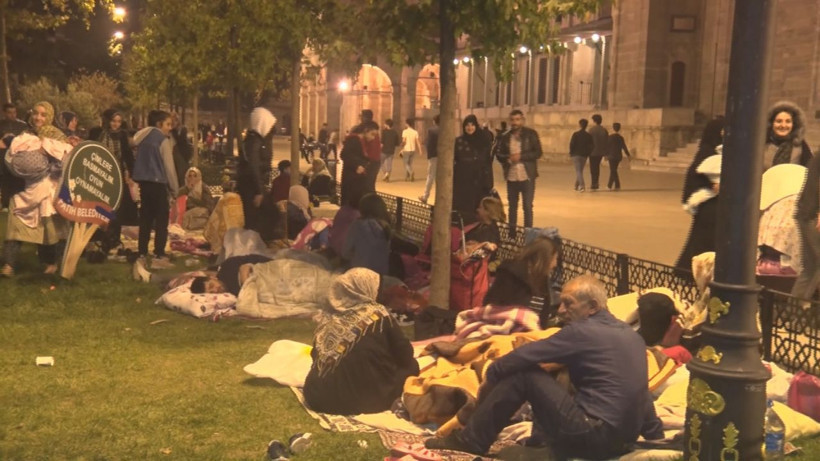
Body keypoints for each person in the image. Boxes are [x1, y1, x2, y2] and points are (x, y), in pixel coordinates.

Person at [426, 275, 664, 459]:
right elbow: (639, 393)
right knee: (560, 372)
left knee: (525, 373)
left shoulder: (581, 332)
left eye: (568, 304)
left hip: (592, 436)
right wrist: (656, 438)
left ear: (592, 306)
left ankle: (472, 440)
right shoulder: (632, 338)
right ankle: (540, 445)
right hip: (621, 442)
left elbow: (517, 359)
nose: (561, 310)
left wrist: (487, 385)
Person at [303, 268, 419, 415]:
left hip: (317, 396)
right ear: (368, 287)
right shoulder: (377, 314)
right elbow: (405, 355)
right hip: (362, 402)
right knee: (412, 367)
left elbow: (316, 356)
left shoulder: (328, 315)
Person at [1, 101, 76, 276]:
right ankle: (9, 265)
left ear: (49, 116)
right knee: (15, 222)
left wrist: (48, 154)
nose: (38, 118)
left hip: (47, 188)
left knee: (48, 227)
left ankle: (51, 263)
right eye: (35, 113)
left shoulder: (57, 136)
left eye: (43, 114)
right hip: (25, 189)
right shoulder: (24, 134)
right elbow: (12, 154)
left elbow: (65, 160)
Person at [675, 119, 725, 272]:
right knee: (705, 242)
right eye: (723, 131)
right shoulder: (706, 151)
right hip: (709, 207)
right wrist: (712, 186)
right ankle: (697, 272)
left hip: (719, 206)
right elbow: (693, 178)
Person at [132, 110, 178, 268]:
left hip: (144, 183)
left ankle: (142, 253)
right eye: (168, 124)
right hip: (158, 184)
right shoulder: (162, 140)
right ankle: (159, 255)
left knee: (145, 220)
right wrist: (174, 189)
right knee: (161, 221)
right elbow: (169, 167)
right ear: (159, 124)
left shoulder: (142, 138)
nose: (170, 128)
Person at [89, 108, 138, 250]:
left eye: (118, 122)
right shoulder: (97, 133)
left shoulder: (122, 135)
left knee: (116, 206)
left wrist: (132, 173)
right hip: (99, 172)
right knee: (98, 204)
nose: (116, 124)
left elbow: (127, 155)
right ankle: (97, 235)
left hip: (116, 174)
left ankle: (113, 237)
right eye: (113, 121)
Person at [483, 236, 558, 327]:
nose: (555, 264)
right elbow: (494, 306)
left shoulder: (541, 278)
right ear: (545, 258)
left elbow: (543, 315)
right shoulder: (510, 274)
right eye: (554, 259)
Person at [494, 110, 543, 234]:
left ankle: (528, 235)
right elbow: (499, 154)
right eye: (512, 120)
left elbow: (537, 152)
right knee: (512, 207)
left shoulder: (531, 134)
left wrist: (520, 156)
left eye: (517, 119)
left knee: (527, 206)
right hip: (511, 176)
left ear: (522, 120)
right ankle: (512, 234)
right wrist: (508, 159)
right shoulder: (505, 136)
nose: (515, 122)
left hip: (527, 176)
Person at [238, 107, 276, 233]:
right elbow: (253, 166)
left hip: (254, 185)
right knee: (256, 221)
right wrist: (259, 191)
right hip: (251, 187)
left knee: (259, 220)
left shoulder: (257, 140)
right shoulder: (254, 141)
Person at [792, 143, 820, 301]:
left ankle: (792, 314)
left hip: (807, 213)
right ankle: (797, 312)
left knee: (810, 267)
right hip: (812, 214)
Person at [452, 114, 493, 221]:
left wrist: (489, 182)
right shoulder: (459, 141)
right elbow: (454, 159)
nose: (470, 128)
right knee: (463, 206)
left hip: (478, 179)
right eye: (467, 125)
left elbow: (487, 162)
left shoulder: (482, 141)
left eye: (472, 125)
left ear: (476, 126)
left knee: (476, 207)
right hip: (462, 179)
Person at [342, 193, 391, 275]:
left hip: (359, 273)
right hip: (381, 274)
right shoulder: (385, 226)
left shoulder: (357, 225)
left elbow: (345, 253)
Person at [763, 101, 812, 171]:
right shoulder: (761, 144)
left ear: (794, 124)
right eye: (779, 121)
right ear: (771, 123)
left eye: (788, 121)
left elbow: (810, 173)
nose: (783, 125)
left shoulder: (800, 146)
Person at [340, 121, 378, 207]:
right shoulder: (354, 139)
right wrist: (357, 165)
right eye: (372, 134)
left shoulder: (361, 141)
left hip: (356, 180)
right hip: (351, 180)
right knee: (350, 206)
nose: (373, 138)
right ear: (366, 130)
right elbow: (344, 154)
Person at [418, 115, 439, 203]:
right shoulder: (447, 129)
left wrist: (429, 156)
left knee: (430, 176)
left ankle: (425, 196)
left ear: (434, 121)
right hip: (444, 157)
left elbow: (429, 144)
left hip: (434, 156)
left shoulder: (432, 130)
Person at [569, 118, 593, 192]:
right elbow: (592, 146)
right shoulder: (588, 135)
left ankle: (582, 186)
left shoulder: (576, 134)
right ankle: (576, 185)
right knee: (580, 170)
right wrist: (588, 153)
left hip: (576, 154)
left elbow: (572, 144)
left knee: (578, 171)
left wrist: (571, 152)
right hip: (584, 155)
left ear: (580, 125)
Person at [360, 110, 382, 191]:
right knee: (370, 185)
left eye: (361, 116)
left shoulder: (366, 129)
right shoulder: (374, 128)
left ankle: (369, 201)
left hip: (369, 161)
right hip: (376, 161)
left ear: (364, 117)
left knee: (367, 186)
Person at [170, 112, 192, 189]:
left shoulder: (182, 129)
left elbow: (181, 140)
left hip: (182, 154)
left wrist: (174, 130)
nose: (173, 123)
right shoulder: (171, 131)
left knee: (182, 174)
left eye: (174, 120)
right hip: (175, 154)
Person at [606, 122, 631, 191]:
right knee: (614, 170)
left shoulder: (610, 137)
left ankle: (614, 185)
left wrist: (605, 155)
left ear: (613, 128)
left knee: (613, 170)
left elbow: (607, 147)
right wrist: (628, 155)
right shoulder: (621, 138)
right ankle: (612, 185)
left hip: (611, 156)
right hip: (618, 156)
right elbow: (624, 147)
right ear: (619, 129)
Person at [588, 114, 608, 191]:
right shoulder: (604, 130)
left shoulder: (591, 130)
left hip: (592, 152)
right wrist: (606, 153)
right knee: (597, 167)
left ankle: (593, 183)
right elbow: (606, 142)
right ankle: (596, 183)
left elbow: (588, 141)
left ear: (594, 121)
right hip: (600, 152)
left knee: (593, 168)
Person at [400, 118, 422, 182]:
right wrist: (420, 150)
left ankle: (411, 172)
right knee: (409, 164)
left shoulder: (405, 131)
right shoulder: (415, 132)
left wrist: (401, 147)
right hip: (413, 149)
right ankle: (407, 177)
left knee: (405, 164)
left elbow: (404, 141)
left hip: (406, 149)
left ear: (407, 124)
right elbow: (418, 142)